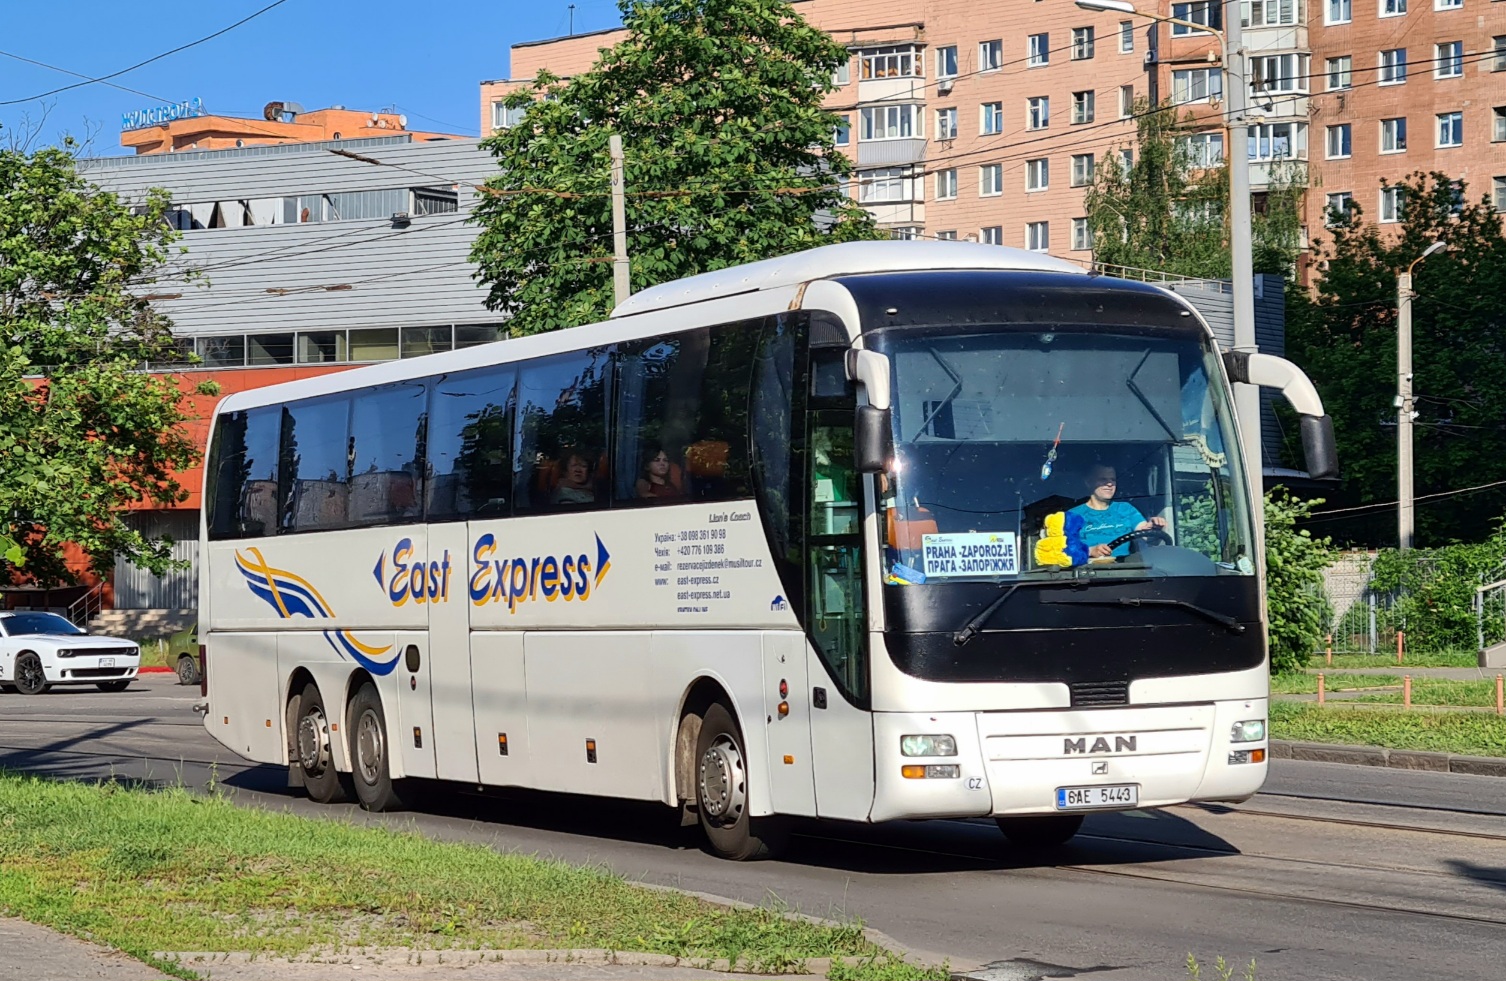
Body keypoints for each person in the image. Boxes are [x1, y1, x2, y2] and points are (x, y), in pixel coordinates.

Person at [1069, 464, 1166, 559]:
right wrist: (1090, 551)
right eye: (1103, 479)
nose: (1110, 484)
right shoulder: (1072, 516)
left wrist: (1153, 527)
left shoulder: (1125, 509)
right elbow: (1060, 549)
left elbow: (1145, 534)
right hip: (1088, 571)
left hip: (1125, 570)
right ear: (1088, 482)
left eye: (1113, 480)